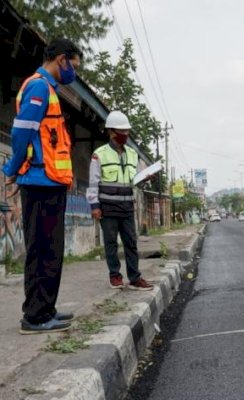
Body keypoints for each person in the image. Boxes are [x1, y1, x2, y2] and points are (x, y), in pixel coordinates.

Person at [2, 38, 82, 334]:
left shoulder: (48, 90)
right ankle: (34, 316)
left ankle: (46, 308)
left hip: (50, 182)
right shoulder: (38, 87)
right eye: (73, 66)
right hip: (39, 182)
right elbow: (21, 134)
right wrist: (12, 171)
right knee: (42, 250)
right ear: (61, 59)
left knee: (51, 250)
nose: (73, 72)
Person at [86, 111, 153, 291]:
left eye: (127, 131)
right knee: (111, 243)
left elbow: (135, 180)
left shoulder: (132, 154)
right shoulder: (99, 154)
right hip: (107, 208)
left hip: (127, 207)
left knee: (131, 243)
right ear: (112, 132)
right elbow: (93, 183)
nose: (126, 135)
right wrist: (94, 206)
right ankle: (115, 276)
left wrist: (145, 178)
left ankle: (135, 277)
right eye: (122, 131)